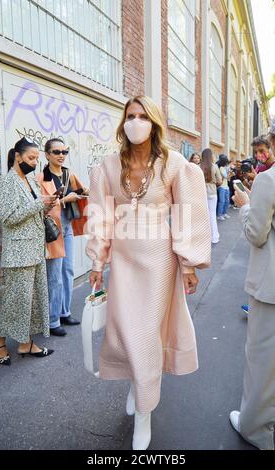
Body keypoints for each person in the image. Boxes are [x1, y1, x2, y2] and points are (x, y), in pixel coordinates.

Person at [86, 95, 211, 450]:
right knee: (126, 331)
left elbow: (188, 213)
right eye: (130, 116)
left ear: (154, 122)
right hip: (124, 263)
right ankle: (136, 384)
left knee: (147, 334)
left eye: (142, 116)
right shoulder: (108, 167)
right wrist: (97, 262)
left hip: (159, 262)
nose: (135, 121)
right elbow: (100, 218)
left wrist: (188, 264)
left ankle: (144, 412)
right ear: (123, 122)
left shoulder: (173, 165)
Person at [230, 111, 275, 450]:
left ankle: (255, 429)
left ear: (274, 143)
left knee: (263, 362)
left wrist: (245, 205)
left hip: (274, 286)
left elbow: (256, 234)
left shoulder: (271, 179)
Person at [0, 137, 56, 365]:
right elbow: (9, 219)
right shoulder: (6, 183)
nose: (34, 162)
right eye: (31, 158)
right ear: (17, 156)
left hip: (34, 250)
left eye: (37, 159)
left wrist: (46, 205)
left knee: (29, 302)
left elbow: (30, 212)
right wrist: (39, 204)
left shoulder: (29, 181)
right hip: (19, 254)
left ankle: (24, 343)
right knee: (15, 301)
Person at [37, 139, 88, 337]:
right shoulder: (43, 178)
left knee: (68, 271)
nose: (61, 155)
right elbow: (43, 207)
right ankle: (52, 320)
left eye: (64, 151)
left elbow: (81, 191)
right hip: (53, 230)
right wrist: (66, 199)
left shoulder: (69, 174)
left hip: (67, 227)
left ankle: (65, 312)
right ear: (47, 154)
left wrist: (88, 192)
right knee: (55, 276)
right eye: (56, 151)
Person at [200, 148, 222, 244]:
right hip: (212, 192)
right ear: (211, 156)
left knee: (203, 215)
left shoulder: (198, 166)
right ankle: (215, 237)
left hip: (201, 192)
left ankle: (205, 237)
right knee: (212, 215)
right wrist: (214, 185)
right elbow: (220, 181)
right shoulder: (215, 167)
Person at [216, 154, 230, 221]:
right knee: (222, 201)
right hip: (222, 187)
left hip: (226, 186)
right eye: (226, 162)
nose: (227, 163)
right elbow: (225, 177)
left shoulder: (225, 168)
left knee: (227, 201)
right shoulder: (221, 168)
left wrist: (229, 174)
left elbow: (227, 179)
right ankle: (219, 215)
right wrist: (230, 174)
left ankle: (224, 213)